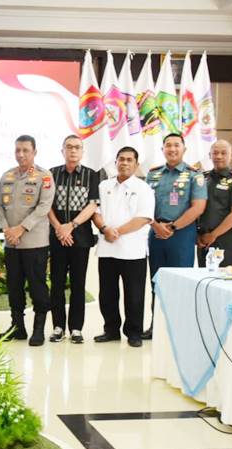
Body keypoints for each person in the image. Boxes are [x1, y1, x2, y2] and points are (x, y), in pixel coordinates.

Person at [144, 133, 207, 339]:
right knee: (156, 282)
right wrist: (156, 225)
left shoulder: (194, 175)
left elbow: (198, 207)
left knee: (180, 282)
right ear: (162, 149)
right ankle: (157, 326)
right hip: (155, 232)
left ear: (184, 149)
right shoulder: (152, 175)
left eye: (176, 145)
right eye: (168, 145)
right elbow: (144, 205)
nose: (172, 149)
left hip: (181, 234)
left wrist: (172, 227)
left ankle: (179, 329)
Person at [92, 147, 154, 348]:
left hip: (132, 251)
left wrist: (115, 231)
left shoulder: (144, 188)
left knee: (134, 295)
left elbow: (143, 218)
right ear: (115, 162)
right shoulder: (104, 185)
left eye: (129, 160)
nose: (124, 163)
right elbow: (95, 210)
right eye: (121, 159)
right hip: (107, 249)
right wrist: (104, 228)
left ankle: (134, 333)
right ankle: (110, 330)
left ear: (136, 164)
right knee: (107, 293)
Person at [0, 135, 55, 346]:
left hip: (34, 243)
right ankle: (17, 327)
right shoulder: (7, 176)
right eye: (18, 150)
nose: (21, 154)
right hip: (12, 243)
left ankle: (38, 329)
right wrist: (6, 228)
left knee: (37, 286)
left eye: (25, 151)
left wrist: (21, 228)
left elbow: (43, 207)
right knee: (14, 287)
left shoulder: (44, 176)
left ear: (34, 152)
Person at [47, 135, 99, 344]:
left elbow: (93, 204)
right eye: (69, 147)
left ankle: (76, 328)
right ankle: (58, 327)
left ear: (82, 151)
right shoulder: (50, 174)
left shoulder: (92, 175)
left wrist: (72, 225)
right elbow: (46, 205)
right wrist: (59, 227)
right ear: (62, 151)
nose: (73, 151)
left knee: (78, 284)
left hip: (81, 238)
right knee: (57, 283)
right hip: (57, 236)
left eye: (77, 147)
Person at [196, 139, 232, 268]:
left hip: (224, 239)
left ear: (231, 155)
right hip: (202, 239)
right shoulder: (203, 178)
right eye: (215, 153)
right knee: (202, 280)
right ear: (210, 155)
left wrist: (213, 235)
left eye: (223, 153)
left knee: (221, 279)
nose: (219, 156)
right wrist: (197, 235)